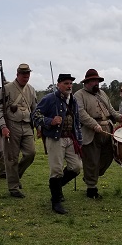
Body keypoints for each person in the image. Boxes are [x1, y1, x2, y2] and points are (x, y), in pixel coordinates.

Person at [33, 73, 82, 214]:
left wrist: (79, 139)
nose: (69, 86)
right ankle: (56, 202)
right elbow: (35, 115)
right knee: (56, 170)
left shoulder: (73, 100)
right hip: (55, 138)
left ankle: (56, 188)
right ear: (58, 85)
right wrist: (50, 121)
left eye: (71, 84)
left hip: (70, 138)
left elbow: (76, 121)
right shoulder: (49, 99)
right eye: (66, 83)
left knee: (76, 167)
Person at [74, 69, 122, 199]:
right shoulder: (78, 95)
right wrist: (93, 124)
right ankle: (91, 189)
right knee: (91, 160)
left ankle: (90, 177)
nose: (96, 83)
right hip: (91, 132)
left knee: (108, 157)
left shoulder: (102, 93)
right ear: (87, 82)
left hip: (107, 130)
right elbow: (80, 113)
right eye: (93, 81)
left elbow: (111, 110)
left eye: (97, 80)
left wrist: (119, 117)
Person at [0, 63, 37, 198]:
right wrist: (3, 126)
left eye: (28, 74)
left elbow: (35, 109)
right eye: (24, 74)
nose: (26, 77)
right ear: (17, 74)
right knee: (11, 158)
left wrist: (39, 126)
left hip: (27, 125)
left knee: (31, 153)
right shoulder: (7, 89)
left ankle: (15, 176)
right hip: (12, 125)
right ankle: (13, 187)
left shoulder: (31, 89)